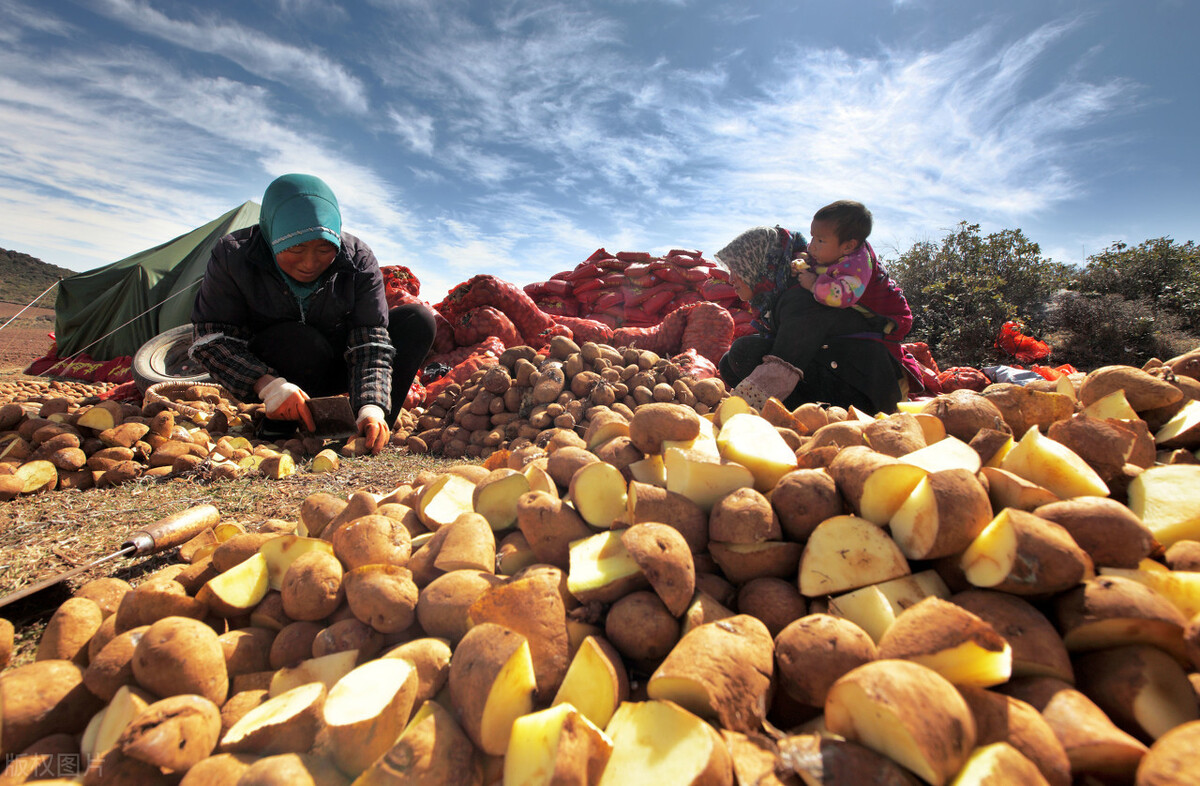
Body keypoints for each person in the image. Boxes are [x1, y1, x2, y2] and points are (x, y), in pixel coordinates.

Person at [189, 173, 436, 454]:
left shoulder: (357, 259)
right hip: (278, 370)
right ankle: (280, 424)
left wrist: (372, 403)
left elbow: (371, 341)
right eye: (295, 248)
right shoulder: (233, 255)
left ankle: (368, 427)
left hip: (343, 363)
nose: (309, 263)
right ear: (273, 236)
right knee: (297, 339)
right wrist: (268, 386)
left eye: (323, 248)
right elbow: (209, 339)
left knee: (418, 321)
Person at [715, 200, 915, 413]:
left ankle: (808, 414)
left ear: (757, 265)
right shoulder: (795, 287)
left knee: (745, 351)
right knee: (730, 362)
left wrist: (735, 412)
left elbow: (784, 363)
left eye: (738, 270)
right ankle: (786, 408)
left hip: (869, 391)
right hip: (842, 371)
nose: (731, 279)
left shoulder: (802, 296)